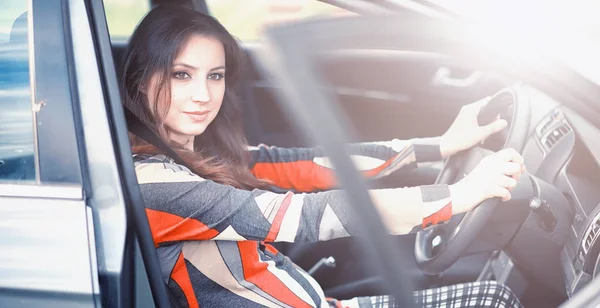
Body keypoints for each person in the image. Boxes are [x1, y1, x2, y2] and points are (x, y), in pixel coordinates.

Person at [120, 5, 525, 308]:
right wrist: (459, 195)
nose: (203, 96)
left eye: (215, 76)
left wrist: (439, 146)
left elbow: (305, 163)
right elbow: (310, 214)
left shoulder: (197, 153)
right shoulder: (155, 183)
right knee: (494, 299)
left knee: (493, 295)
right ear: (140, 78)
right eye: (181, 75)